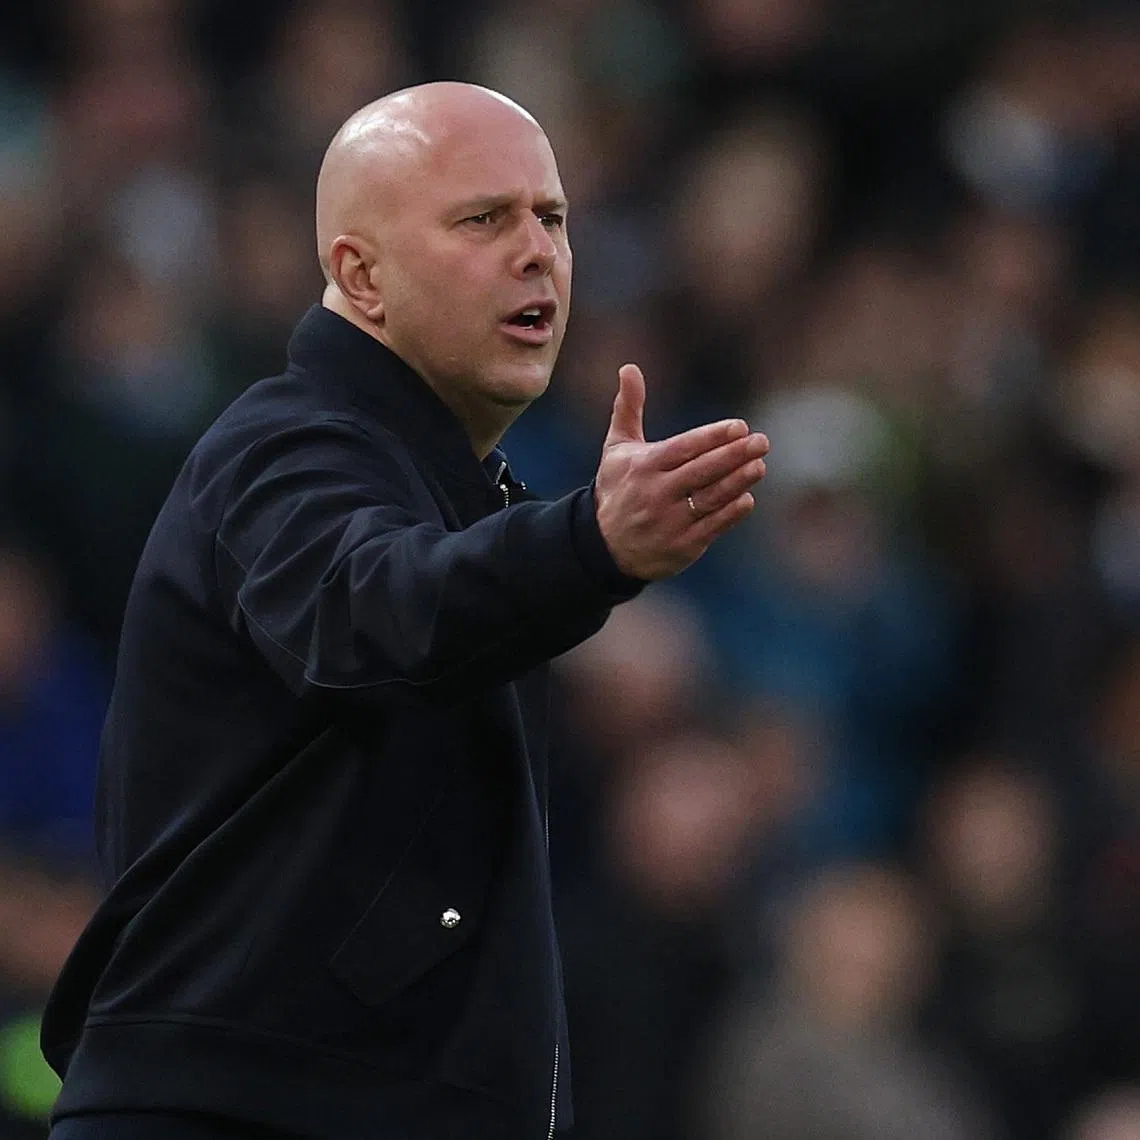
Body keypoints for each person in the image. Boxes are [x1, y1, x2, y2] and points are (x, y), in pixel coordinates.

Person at [39, 82, 770, 1140]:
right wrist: (589, 545)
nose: (539, 254)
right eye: (483, 219)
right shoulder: (283, 445)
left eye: (553, 219)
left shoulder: (447, 487)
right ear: (360, 275)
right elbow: (372, 612)